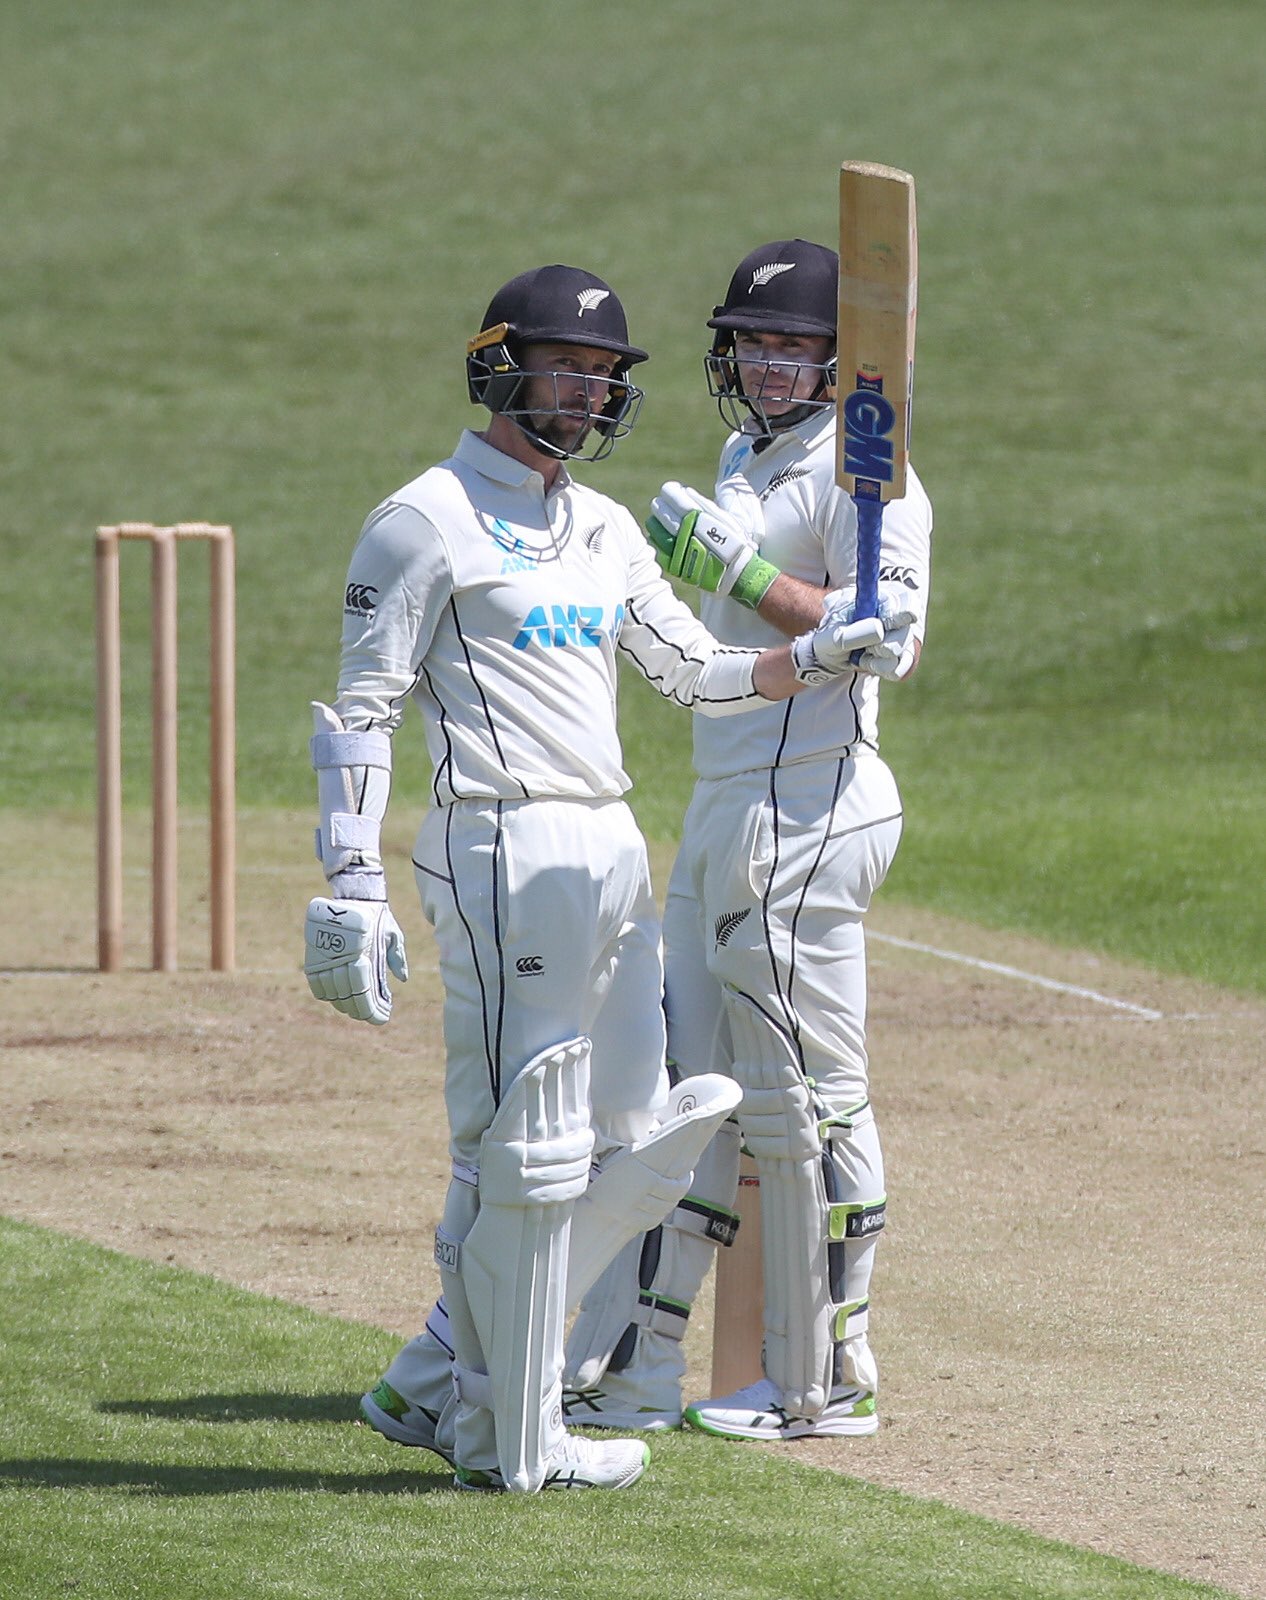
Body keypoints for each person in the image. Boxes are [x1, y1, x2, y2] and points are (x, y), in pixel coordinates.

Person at [302, 262, 887, 1493]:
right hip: (501, 844)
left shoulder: (606, 527)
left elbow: (688, 671)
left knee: (636, 1130)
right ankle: (493, 1433)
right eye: (567, 367)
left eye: (605, 374)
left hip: (613, 845)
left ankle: (443, 1375)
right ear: (501, 362)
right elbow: (363, 707)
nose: (586, 391)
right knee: (514, 1142)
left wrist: (812, 650)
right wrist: (350, 880)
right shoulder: (424, 518)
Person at [559, 238, 933, 1441]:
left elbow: (888, 636)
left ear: (839, 359)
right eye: (754, 342)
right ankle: (644, 1366)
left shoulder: (873, 476)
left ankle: (832, 1377)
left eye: (795, 345)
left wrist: (744, 569)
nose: (770, 365)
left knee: (808, 1099)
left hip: (814, 805)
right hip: (727, 793)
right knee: (696, 1093)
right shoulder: (744, 452)